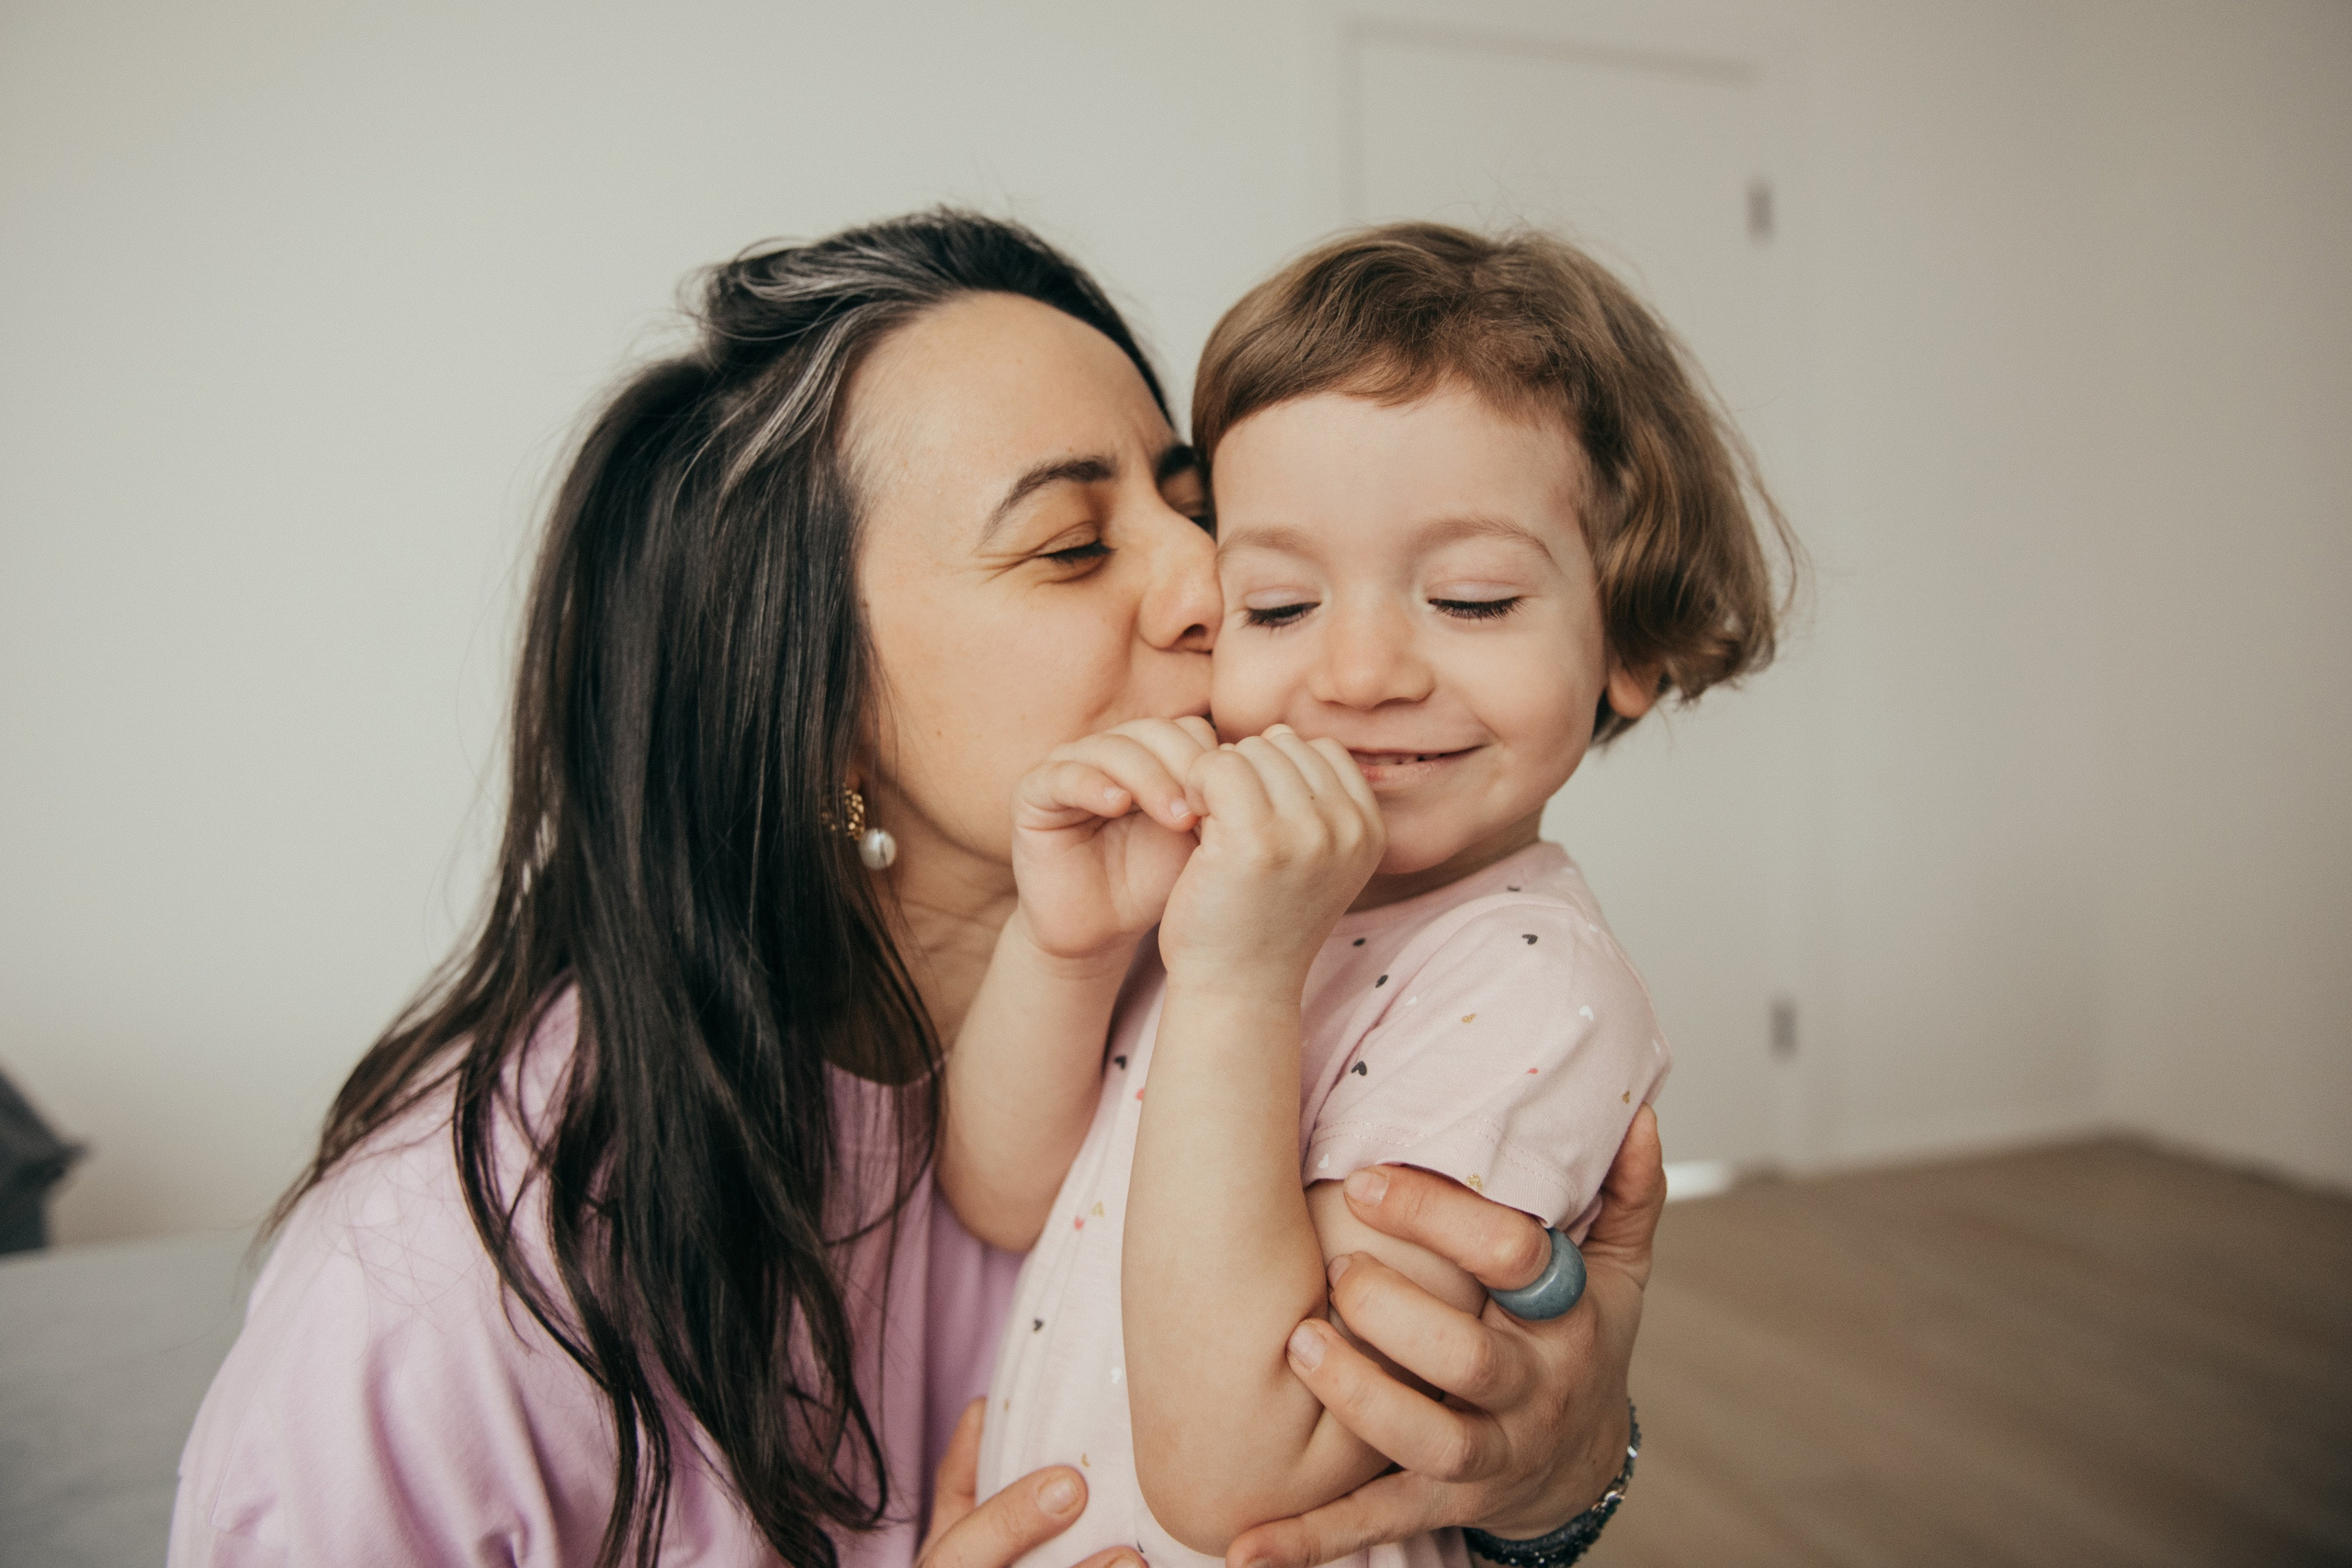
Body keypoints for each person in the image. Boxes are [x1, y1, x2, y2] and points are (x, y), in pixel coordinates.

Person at [169, 210, 1668, 1568]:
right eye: (1074, 545)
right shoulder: (444, 1285)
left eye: (1194, 507)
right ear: (807, 699)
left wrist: (1554, 1484)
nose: (1215, 590)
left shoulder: (1245, 941)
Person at [946, 222, 1789, 1568]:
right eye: (1275, 607)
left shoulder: (1527, 980)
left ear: (1627, 636)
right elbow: (1000, 1193)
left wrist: (1233, 978)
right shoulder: (1245, 877)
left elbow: (1247, 1473)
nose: (1358, 673)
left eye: (1468, 596)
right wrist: (1073, 941)